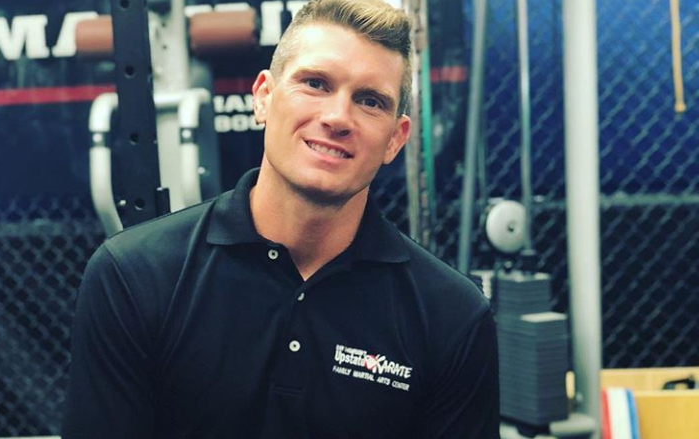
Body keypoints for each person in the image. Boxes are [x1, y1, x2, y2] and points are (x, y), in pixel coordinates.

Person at [62, 0, 499, 437]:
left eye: (370, 101)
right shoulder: (134, 276)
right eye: (315, 83)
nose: (337, 118)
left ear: (395, 140)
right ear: (264, 98)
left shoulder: (452, 316)